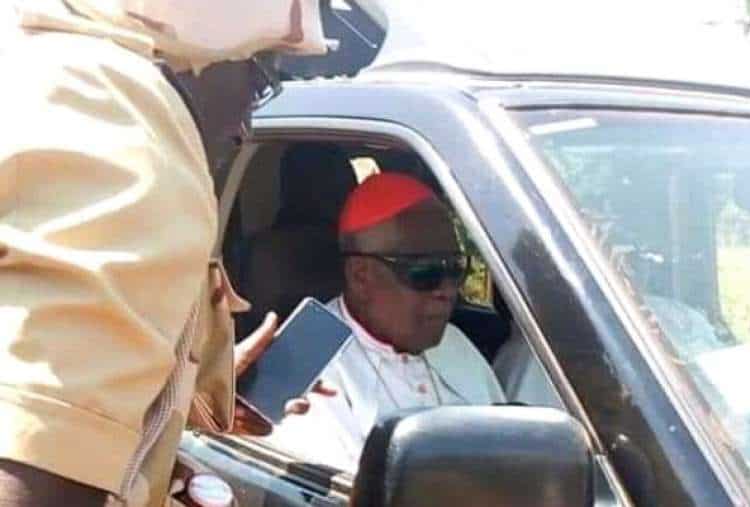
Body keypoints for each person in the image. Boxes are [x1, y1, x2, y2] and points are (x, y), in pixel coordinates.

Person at [0, 1, 327, 505]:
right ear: (201, 39)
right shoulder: (123, 123)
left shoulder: (44, 74)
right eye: (260, 81)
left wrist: (172, 407)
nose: (245, 128)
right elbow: (29, 465)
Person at [268, 173, 505, 471]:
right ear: (361, 276)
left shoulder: (455, 342)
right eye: (425, 272)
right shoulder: (299, 359)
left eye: (455, 268)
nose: (446, 291)